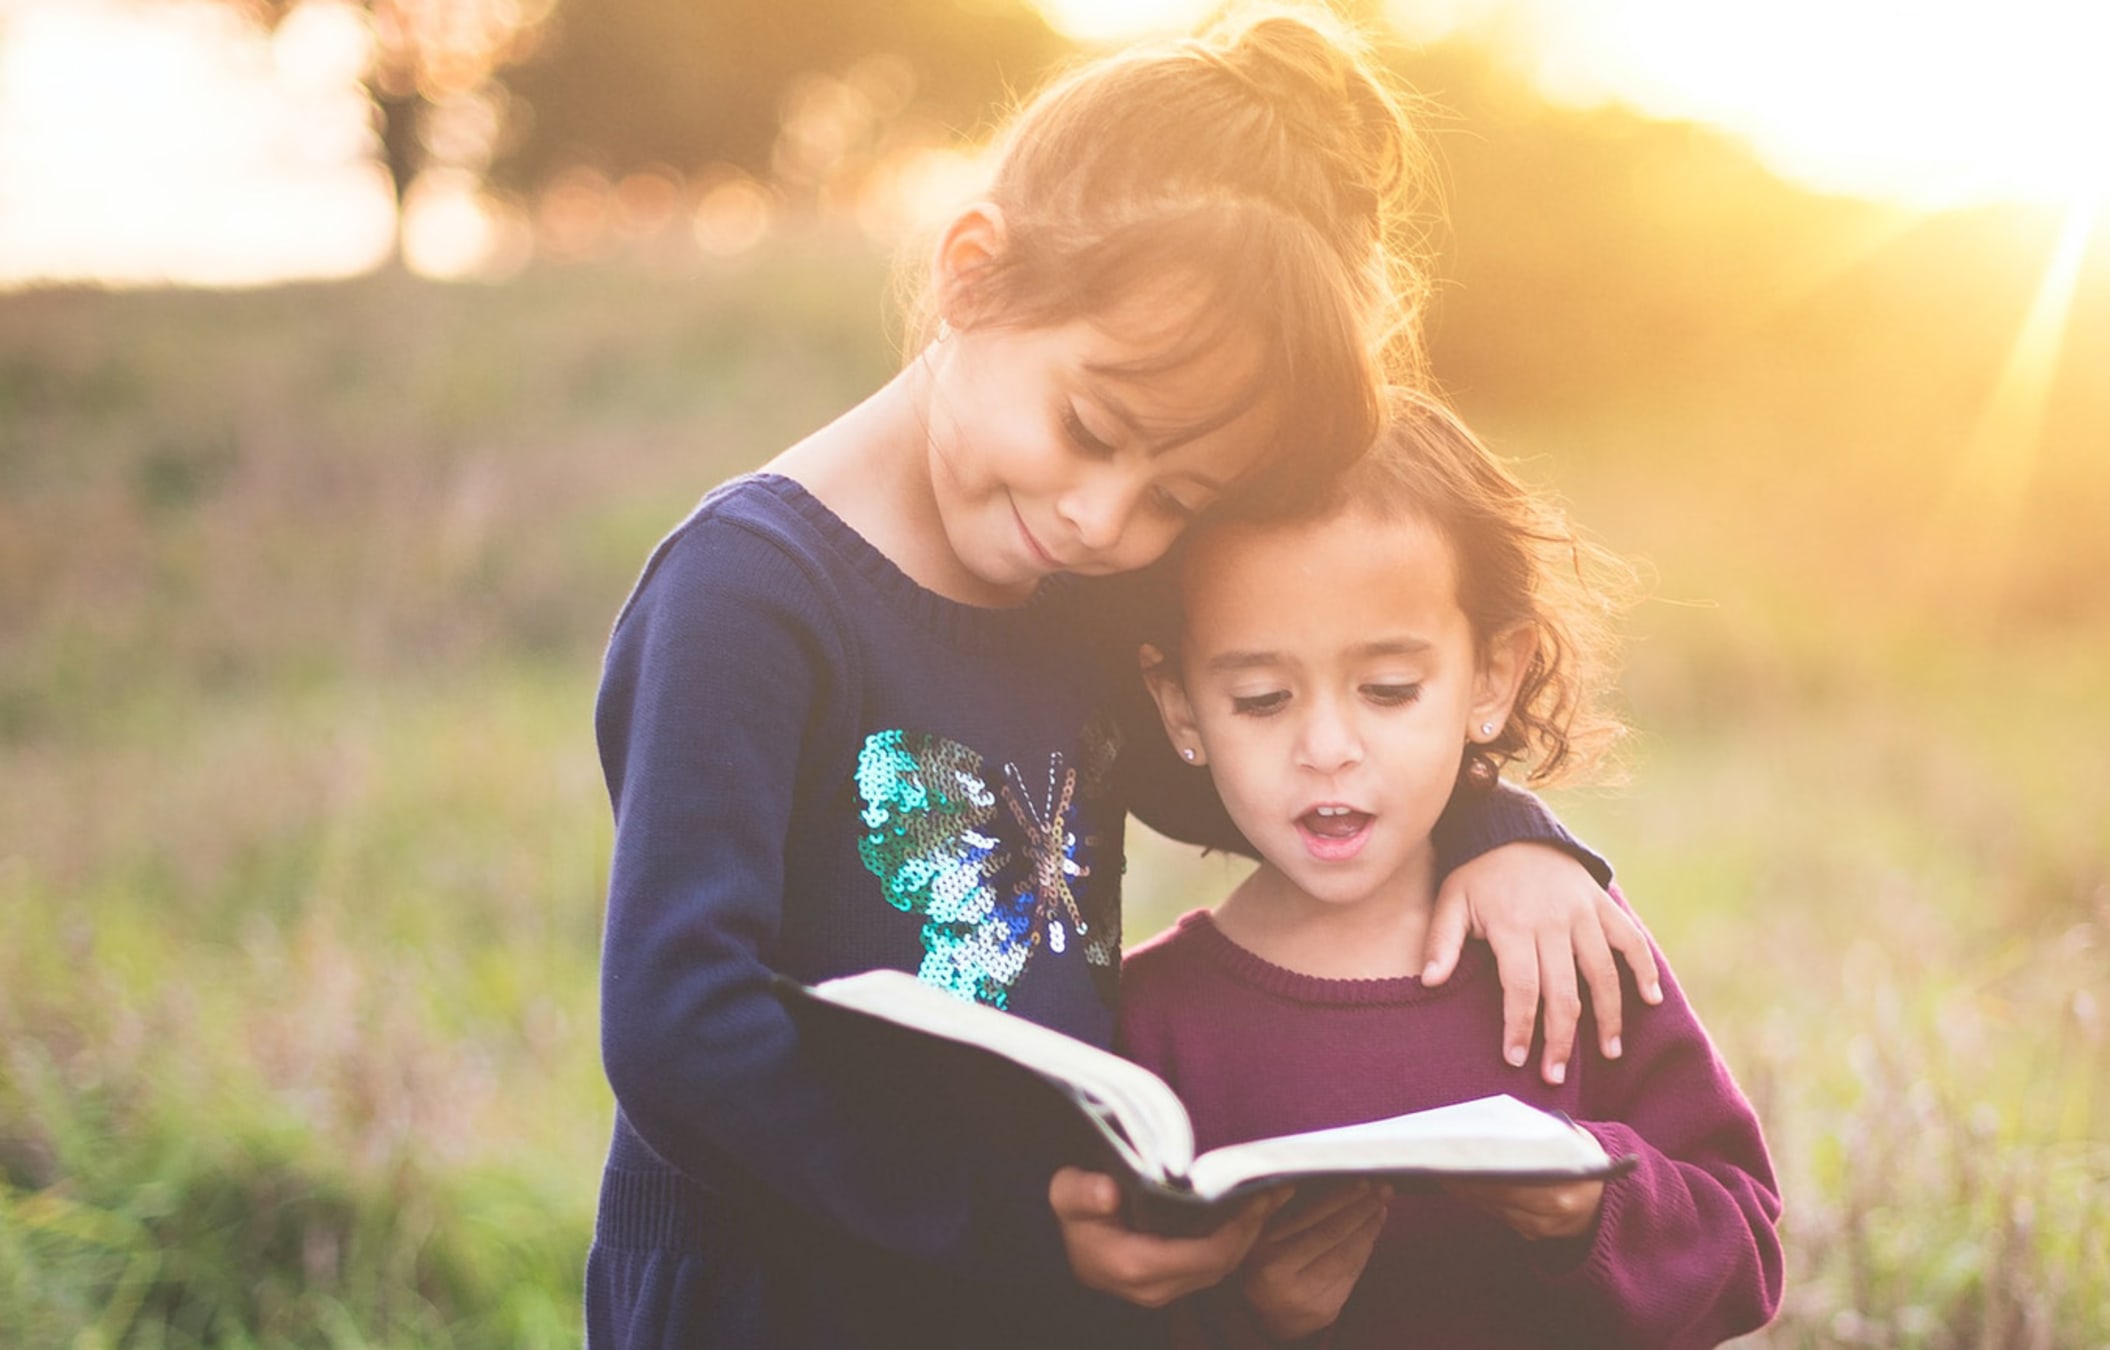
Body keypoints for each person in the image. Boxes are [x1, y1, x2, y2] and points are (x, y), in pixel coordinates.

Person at [582, 11, 1662, 1347]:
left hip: (1027, 1289)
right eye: (1090, 428)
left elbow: (1275, 784)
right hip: (777, 1286)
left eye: (1178, 494)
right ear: (974, 272)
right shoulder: (751, 595)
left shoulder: (1074, 596)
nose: (1105, 519)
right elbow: (681, 1025)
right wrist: (1015, 1224)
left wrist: (1506, 833)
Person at [1123, 390, 1783, 1348]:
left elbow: (1746, 1248)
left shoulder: (1560, 938)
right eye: (1261, 699)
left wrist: (1588, 1201)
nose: (1326, 746)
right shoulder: (1153, 1019)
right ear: (1181, 707)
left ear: (1492, 679)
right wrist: (1248, 1316)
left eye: (1388, 690)